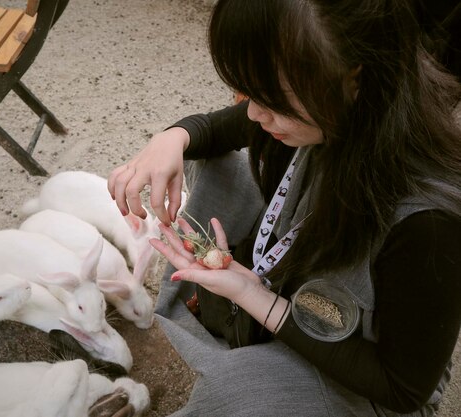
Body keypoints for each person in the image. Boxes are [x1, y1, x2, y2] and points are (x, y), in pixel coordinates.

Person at [107, 0, 461, 416]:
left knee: (234, 395)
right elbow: (219, 127)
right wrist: (171, 139)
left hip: (367, 368)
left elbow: (403, 390)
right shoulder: (332, 109)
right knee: (219, 161)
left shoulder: (431, 220)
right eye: (249, 91)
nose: (254, 111)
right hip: (300, 289)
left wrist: (258, 300)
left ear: (356, 78)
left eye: (272, 97)